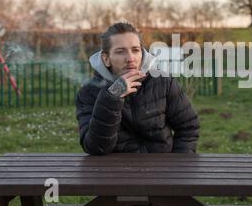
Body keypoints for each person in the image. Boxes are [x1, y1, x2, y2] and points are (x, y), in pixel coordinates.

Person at [75, 22, 199, 155]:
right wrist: (112, 97)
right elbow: (95, 147)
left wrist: (177, 164)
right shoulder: (89, 92)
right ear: (106, 59)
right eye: (120, 51)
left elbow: (188, 128)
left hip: (160, 169)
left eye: (135, 50)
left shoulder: (163, 82)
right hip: (113, 171)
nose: (130, 58)